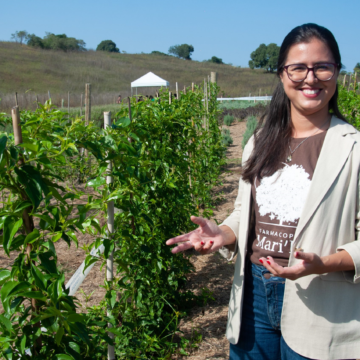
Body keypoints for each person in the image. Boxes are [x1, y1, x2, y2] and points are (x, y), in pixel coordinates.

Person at [166, 23, 360, 360]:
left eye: (322, 67)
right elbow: (247, 213)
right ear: (282, 75)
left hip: (320, 299)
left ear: (337, 72)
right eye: (298, 67)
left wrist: (323, 263)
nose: (310, 78)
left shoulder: (353, 148)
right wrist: (223, 233)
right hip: (252, 294)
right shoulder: (260, 141)